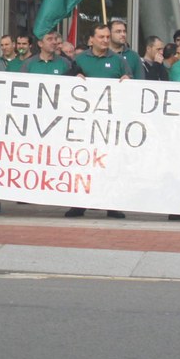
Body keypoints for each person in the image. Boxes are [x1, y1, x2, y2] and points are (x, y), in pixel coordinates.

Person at [62, 24, 132, 220]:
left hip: (110, 122)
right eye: (101, 37)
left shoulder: (118, 60)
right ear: (91, 40)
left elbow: (132, 83)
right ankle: (79, 204)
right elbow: (66, 83)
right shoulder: (79, 59)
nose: (105, 40)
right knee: (83, 163)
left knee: (111, 164)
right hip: (85, 122)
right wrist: (74, 77)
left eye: (107, 37)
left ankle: (112, 205)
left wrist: (127, 79)